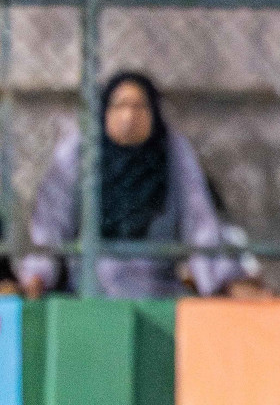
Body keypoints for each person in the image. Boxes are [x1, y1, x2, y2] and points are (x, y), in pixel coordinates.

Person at [19, 70, 263, 299]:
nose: (129, 116)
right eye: (119, 106)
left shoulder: (172, 153)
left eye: (139, 107)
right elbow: (50, 222)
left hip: (157, 292)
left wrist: (225, 280)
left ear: (154, 113)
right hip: (89, 294)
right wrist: (37, 274)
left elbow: (199, 223)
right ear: (104, 111)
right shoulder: (79, 152)